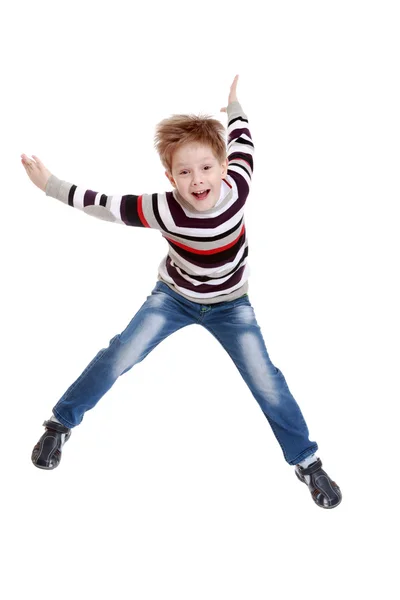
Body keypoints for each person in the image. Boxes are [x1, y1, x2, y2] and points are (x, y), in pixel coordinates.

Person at [21, 75, 341, 509]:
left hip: (232, 305)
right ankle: (60, 422)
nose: (197, 180)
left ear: (223, 167)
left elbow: (244, 141)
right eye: (184, 172)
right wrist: (51, 185)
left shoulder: (238, 185)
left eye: (206, 167)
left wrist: (234, 108)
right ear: (169, 175)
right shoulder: (162, 207)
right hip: (174, 298)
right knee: (120, 354)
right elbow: (105, 204)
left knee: (266, 378)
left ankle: (307, 461)